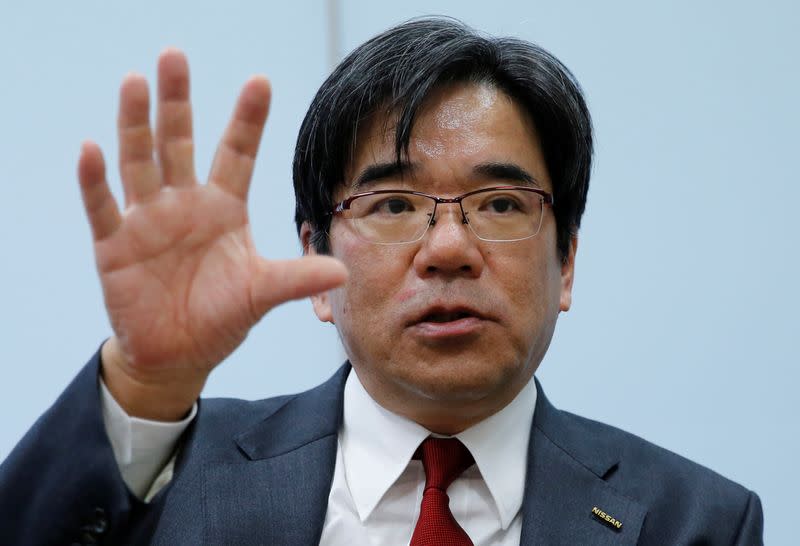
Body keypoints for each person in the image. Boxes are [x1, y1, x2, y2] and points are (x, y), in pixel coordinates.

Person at [0, 17, 763, 546]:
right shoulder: (177, 481)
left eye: (500, 203)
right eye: (394, 204)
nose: (449, 249)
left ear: (566, 263)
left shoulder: (696, 520)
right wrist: (143, 379)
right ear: (316, 268)